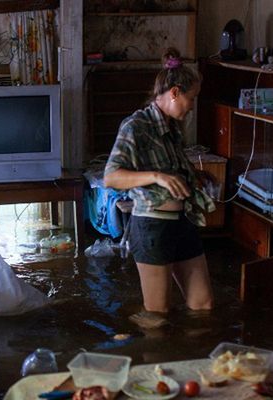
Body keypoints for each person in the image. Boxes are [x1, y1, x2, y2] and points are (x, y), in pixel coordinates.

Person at [103, 47, 216, 329]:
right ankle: (152, 364)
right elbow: (111, 177)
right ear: (175, 92)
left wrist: (194, 176)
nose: (192, 106)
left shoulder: (173, 126)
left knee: (203, 305)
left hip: (183, 222)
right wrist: (157, 176)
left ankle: (191, 363)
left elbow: (171, 168)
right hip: (152, 227)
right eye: (191, 98)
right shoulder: (136, 126)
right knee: (158, 314)